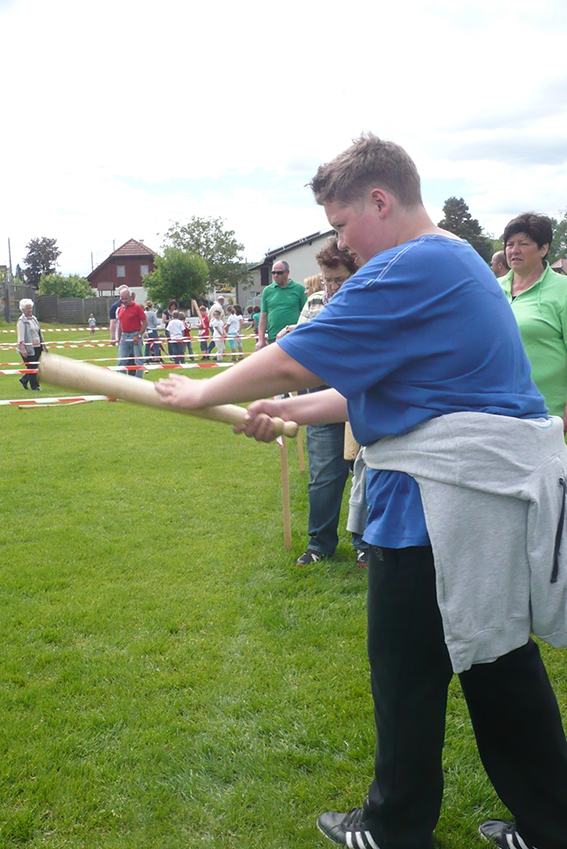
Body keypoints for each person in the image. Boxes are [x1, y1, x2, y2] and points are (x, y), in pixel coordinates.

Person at [156, 133, 567, 849]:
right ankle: (551, 826)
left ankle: (393, 827)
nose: (339, 241)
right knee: (498, 666)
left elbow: (295, 355)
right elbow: (376, 390)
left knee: (408, 673)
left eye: (342, 223)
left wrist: (201, 391)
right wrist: (280, 407)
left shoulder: (419, 262)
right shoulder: (457, 263)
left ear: (380, 201)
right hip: (473, 507)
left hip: (438, 510)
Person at [277, 236, 368, 567]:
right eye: (327, 280)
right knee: (324, 477)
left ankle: (365, 543)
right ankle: (320, 544)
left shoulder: (368, 301)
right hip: (320, 398)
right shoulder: (315, 301)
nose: (331, 287)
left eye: (338, 280)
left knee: (365, 475)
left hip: (361, 399)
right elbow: (303, 349)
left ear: (355, 274)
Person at [499, 213, 567, 426]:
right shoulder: (492, 288)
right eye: (510, 244)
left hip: (548, 416)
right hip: (496, 411)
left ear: (543, 249)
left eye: (523, 244)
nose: (514, 250)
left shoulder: (563, 290)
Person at [255, 260, 307, 349]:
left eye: (279, 273)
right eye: (273, 272)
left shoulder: (299, 289)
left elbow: (306, 314)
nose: (276, 275)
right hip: (273, 337)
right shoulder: (267, 291)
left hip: (294, 336)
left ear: (287, 272)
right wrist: (261, 339)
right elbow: (263, 316)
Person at [117, 287, 147, 378]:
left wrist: (138, 336)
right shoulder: (120, 309)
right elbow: (120, 325)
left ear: (131, 297)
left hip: (135, 334)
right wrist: (119, 339)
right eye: (122, 299)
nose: (124, 301)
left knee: (138, 360)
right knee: (121, 360)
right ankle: (120, 381)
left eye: (125, 299)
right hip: (124, 336)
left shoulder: (137, 307)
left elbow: (145, 323)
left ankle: (138, 380)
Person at [16, 298, 46, 391]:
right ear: (23, 310)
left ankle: (24, 379)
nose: (30, 310)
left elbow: (39, 332)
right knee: (32, 366)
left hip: (38, 346)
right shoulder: (21, 321)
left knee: (36, 366)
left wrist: (44, 345)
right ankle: (35, 386)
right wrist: (23, 349)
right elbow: (21, 337)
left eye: (31, 308)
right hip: (28, 348)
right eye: (28, 308)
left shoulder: (34, 318)